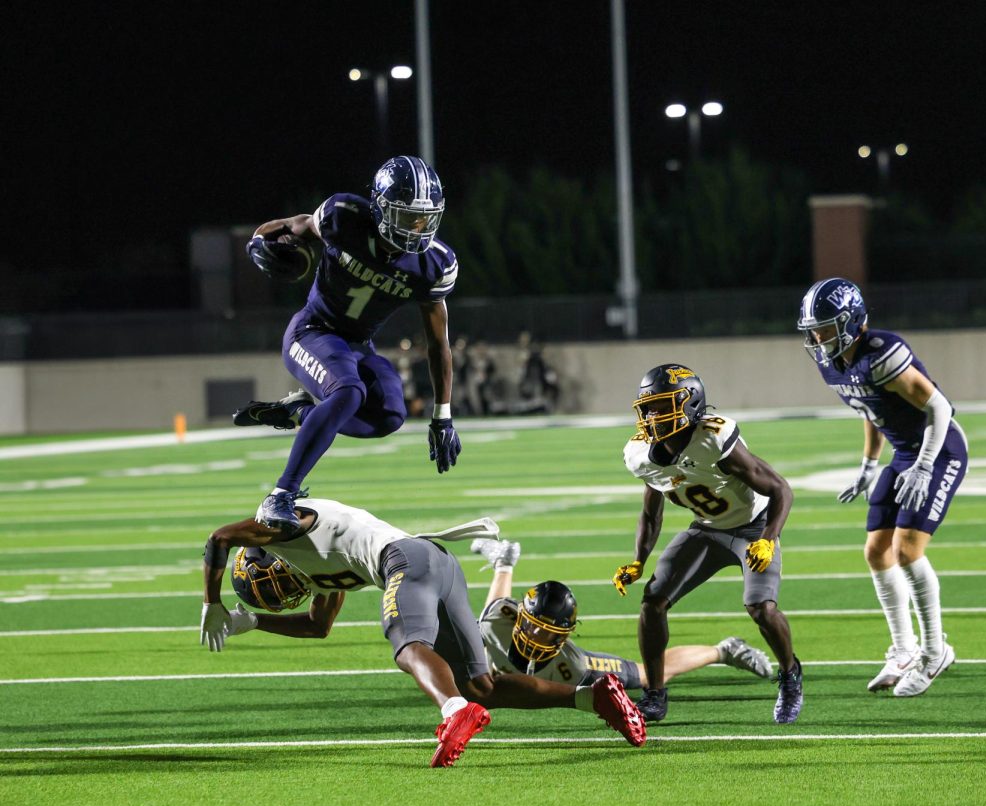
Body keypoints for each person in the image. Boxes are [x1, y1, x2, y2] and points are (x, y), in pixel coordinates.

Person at [198, 498, 647, 768]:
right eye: (271, 596)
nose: (280, 591)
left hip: (408, 560)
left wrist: (211, 602)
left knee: (408, 642)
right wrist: (254, 620)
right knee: (482, 686)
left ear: (265, 554)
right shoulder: (316, 575)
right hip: (438, 564)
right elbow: (319, 627)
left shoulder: (282, 523)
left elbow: (219, 537)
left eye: (269, 583)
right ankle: (593, 697)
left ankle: (453, 711)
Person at [234, 155, 463, 532]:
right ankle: (280, 495)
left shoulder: (435, 264)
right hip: (312, 330)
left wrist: (443, 415)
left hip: (357, 345)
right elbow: (294, 225)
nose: (416, 228)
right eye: (407, 217)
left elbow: (439, 342)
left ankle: (301, 414)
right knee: (349, 392)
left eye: (424, 218)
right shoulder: (344, 216)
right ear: (380, 207)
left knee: (390, 415)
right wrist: (259, 241)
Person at [797, 277, 965, 697]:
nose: (817, 336)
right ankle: (904, 650)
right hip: (903, 453)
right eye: (813, 328)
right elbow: (868, 409)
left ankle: (934, 652)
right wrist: (869, 465)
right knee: (875, 551)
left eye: (825, 326)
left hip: (939, 448)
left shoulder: (881, 354)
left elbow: (940, 407)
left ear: (851, 323)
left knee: (906, 550)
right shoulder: (831, 361)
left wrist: (925, 466)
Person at [611, 364, 804, 724]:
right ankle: (654, 694)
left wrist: (768, 539)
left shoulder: (713, 438)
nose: (652, 417)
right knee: (652, 603)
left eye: (661, 406)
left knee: (761, 608)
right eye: (648, 408)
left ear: (690, 403)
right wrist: (638, 560)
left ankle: (791, 675)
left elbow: (781, 489)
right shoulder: (640, 454)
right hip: (707, 529)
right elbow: (651, 514)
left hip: (753, 527)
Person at [470, 537, 772, 687]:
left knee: (645, 675)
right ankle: (503, 562)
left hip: (564, 673)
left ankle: (723, 650)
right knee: (481, 626)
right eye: (535, 625)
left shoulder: (572, 667)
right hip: (492, 633)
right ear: (520, 617)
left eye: (548, 631)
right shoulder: (499, 619)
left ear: (563, 636)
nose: (537, 635)